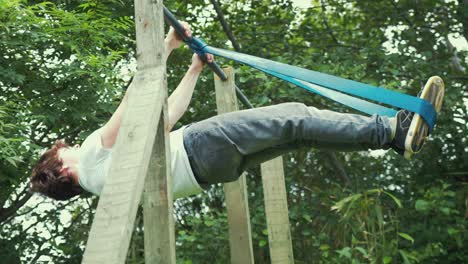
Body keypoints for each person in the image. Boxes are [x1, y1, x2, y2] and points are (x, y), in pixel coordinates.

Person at [29, 24, 445, 201]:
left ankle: (393, 139)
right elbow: (134, 105)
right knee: (294, 116)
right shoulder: (89, 155)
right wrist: (168, 46)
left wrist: (193, 69)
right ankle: (393, 127)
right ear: (62, 171)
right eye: (60, 154)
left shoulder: (108, 189)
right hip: (201, 145)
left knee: (299, 136)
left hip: (212, 171)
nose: (68, 149)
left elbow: (164, 118)